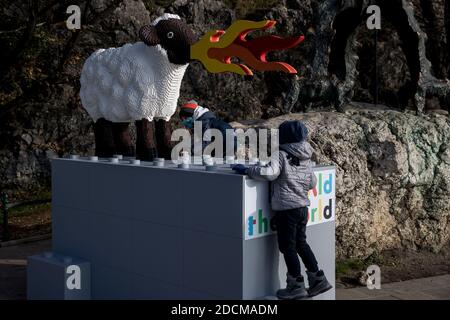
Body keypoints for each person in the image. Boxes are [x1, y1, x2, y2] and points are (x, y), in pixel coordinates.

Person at [232, 120, 332, 300]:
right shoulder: (307, 156)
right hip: (302, 207)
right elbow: (312, 183)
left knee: (288, 247)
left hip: (286, 209)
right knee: (301, 243)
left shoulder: (281, 154)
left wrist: (249, 170)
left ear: (284, 136)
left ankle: (296, 286)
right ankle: (318, 279)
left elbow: (270, 173)